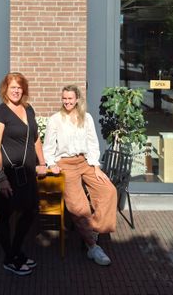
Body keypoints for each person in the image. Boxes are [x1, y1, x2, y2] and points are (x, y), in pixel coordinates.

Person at [42, 84, 117, 266]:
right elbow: (48, 146)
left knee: (109, 191)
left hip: (85, 162)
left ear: (77, 99)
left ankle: (93, 229)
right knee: (79, 207)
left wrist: (96, 166)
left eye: (70, 98)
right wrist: (52, 164)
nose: (67, 102)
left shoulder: (86, 118)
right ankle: (93, 247)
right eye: (64, 98)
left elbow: (92, 143)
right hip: (65, 165)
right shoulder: (55, 120)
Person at [0, 72, 47, 276]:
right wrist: (1, 178)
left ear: (24, 90)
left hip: (27, 173)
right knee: (5, 215)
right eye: (12, 87)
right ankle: (10, 258)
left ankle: (15, 252)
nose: (16, 91)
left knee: (30, 210)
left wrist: (42, 162)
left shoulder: (28, 108)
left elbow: (35, 138)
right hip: (8, 174)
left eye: (19, 87)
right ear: (5, 89)